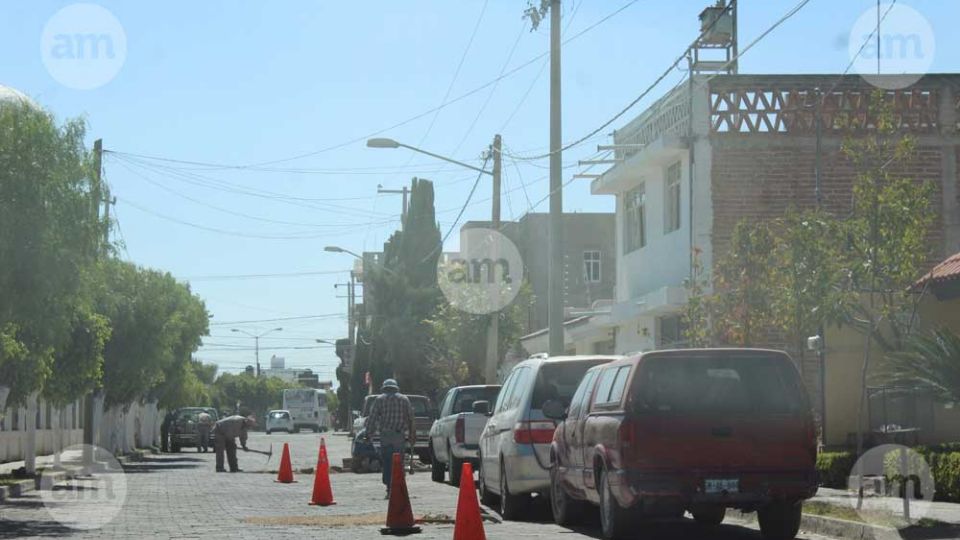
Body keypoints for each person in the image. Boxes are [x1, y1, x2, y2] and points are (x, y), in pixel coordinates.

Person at [364, 379, 415, 498]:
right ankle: (399, 487)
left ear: (384, 388)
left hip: (386, 436)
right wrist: (412, 434)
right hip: (399, 436)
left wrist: (368, 434)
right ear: (396, 388)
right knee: (399, 462)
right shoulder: (404, 399)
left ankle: (389, 488)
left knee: (387, 462)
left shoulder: (379, 400)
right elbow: (411, 418)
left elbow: (372, 418)